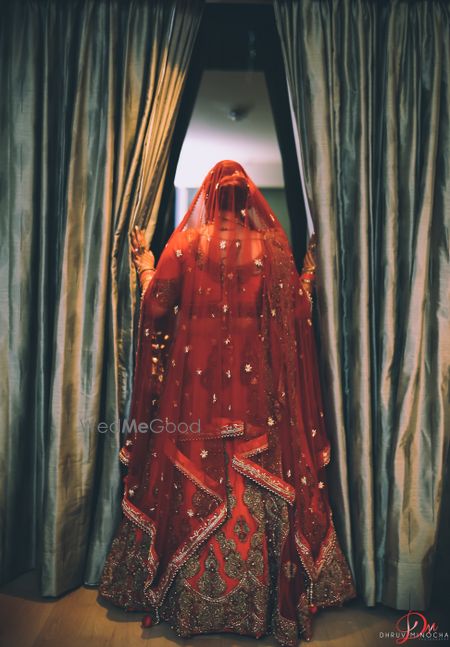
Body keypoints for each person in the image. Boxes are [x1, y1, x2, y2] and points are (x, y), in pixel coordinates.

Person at [98, 160, 356, 645]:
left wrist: (145, 266)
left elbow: (157, 306)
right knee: (258, 476)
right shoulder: (272, 248)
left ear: (211, 199)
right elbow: (297, 312)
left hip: (195, 391)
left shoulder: (190, 245)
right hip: (258, 393)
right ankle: (262, 604)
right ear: (249, 202)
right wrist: (311, 271)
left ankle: (184, 600)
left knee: (193, 470)